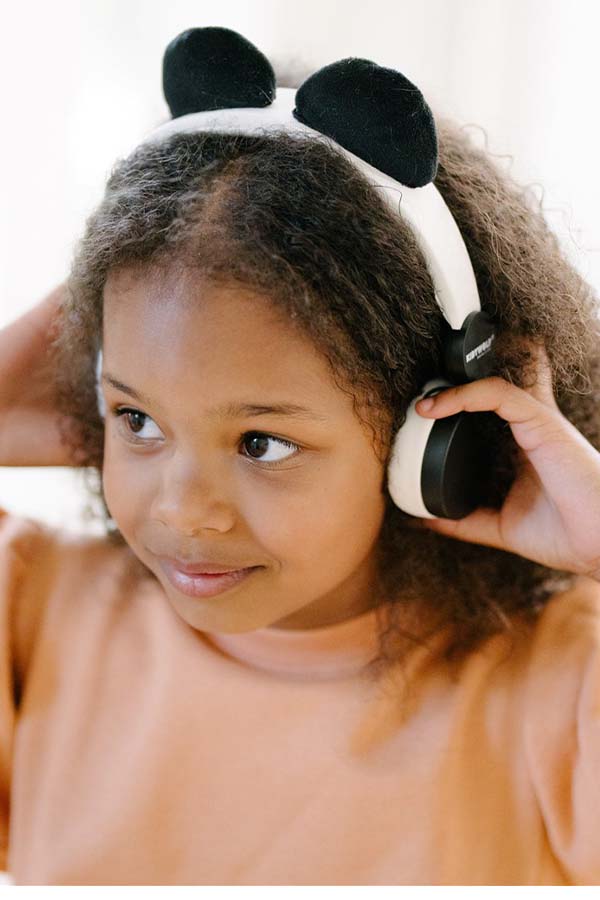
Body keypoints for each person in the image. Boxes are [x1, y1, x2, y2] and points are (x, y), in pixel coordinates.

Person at [1, 36, 600, 888]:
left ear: (432, 443)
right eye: (136, 418)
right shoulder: (28, 612)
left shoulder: (561, 688)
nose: (183, 510)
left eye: (262, 443)